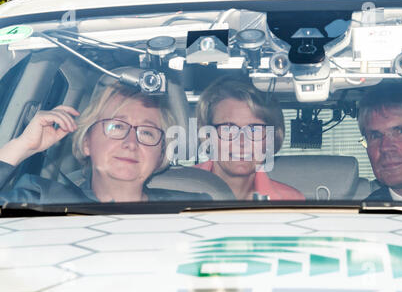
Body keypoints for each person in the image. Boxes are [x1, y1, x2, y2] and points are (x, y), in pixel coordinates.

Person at [0, 81, 209, 204]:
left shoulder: (194, 207)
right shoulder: (42, 198)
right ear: (86, 143)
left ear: (161, 154)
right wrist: (22, 146)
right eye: (116, 126)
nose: (131, 143)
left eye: (147, 133)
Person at [194, 76, 305, 201]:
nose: (242, 142)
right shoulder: (176, 188)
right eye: (228, 128)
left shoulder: (290, 201)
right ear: (208, 135)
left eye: (254, 129)